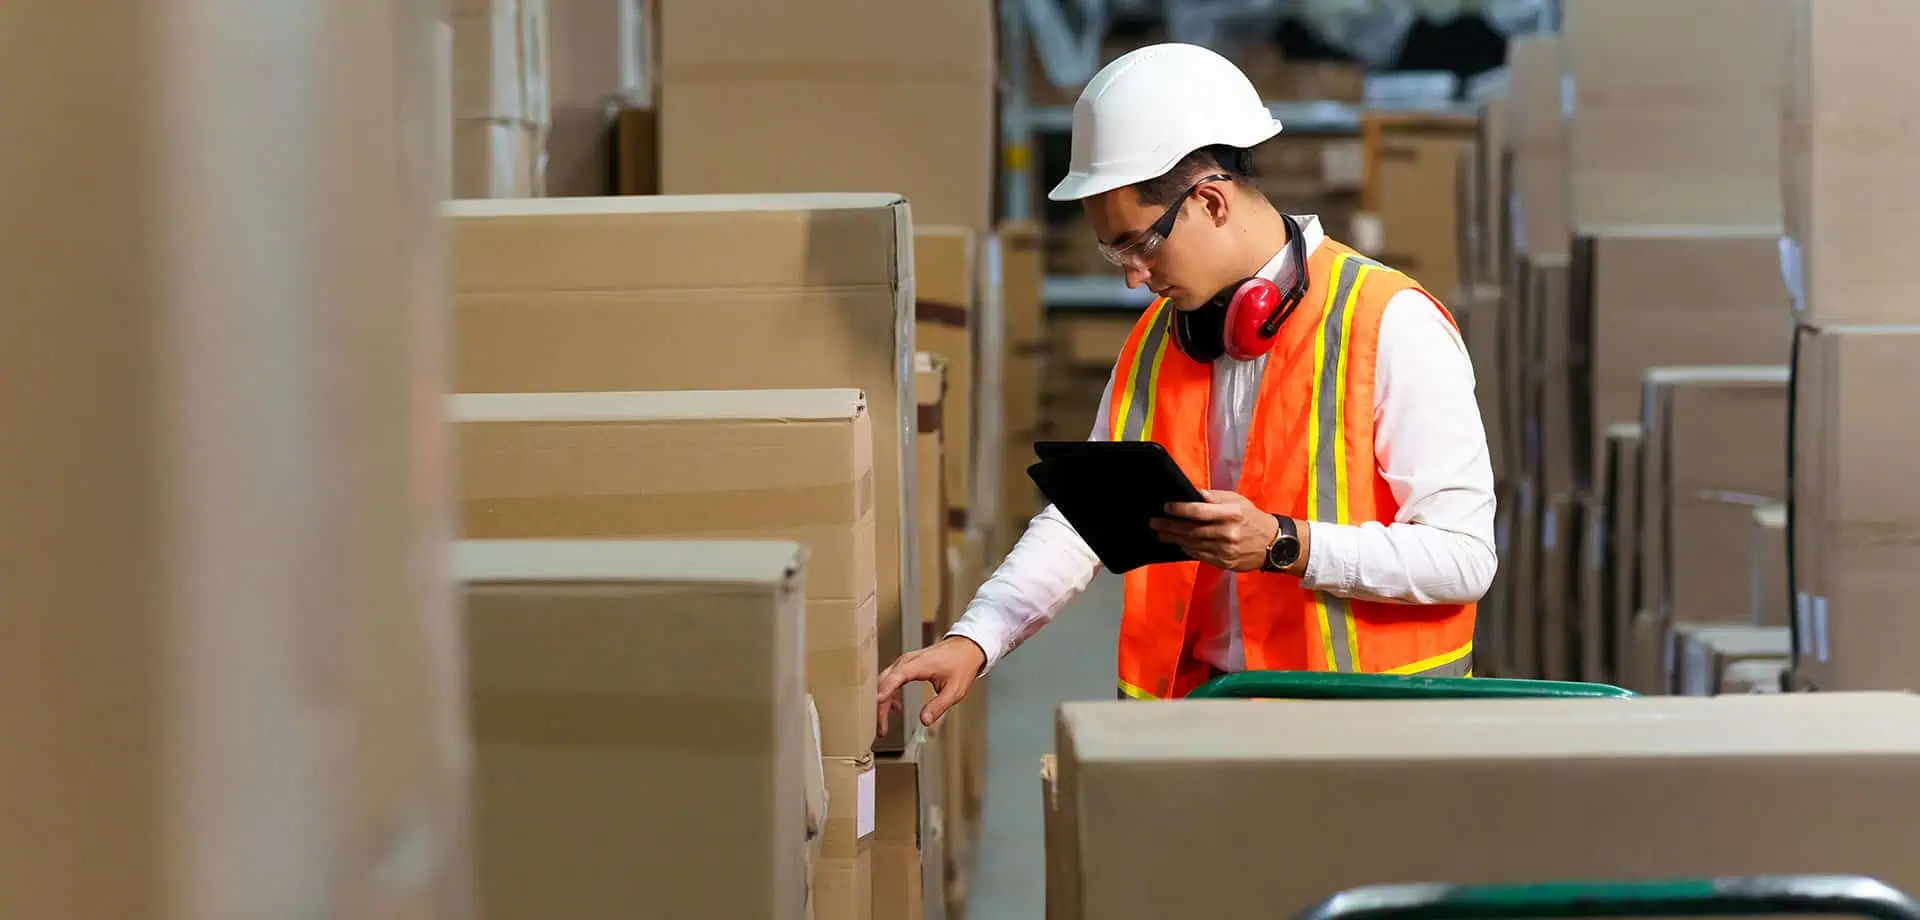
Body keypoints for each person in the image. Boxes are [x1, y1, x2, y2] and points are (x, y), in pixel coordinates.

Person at [876, 42, 1497, 729]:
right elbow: (1084, 519)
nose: (1132, 276)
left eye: (1140, 243)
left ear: (1210, 201)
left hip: (1364, 735)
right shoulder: (1159, 341)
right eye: (1115, 253)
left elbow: (1463, 558)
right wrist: (975, 638)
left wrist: (1286, 544)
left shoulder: (1389, 323)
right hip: (1201, 724)